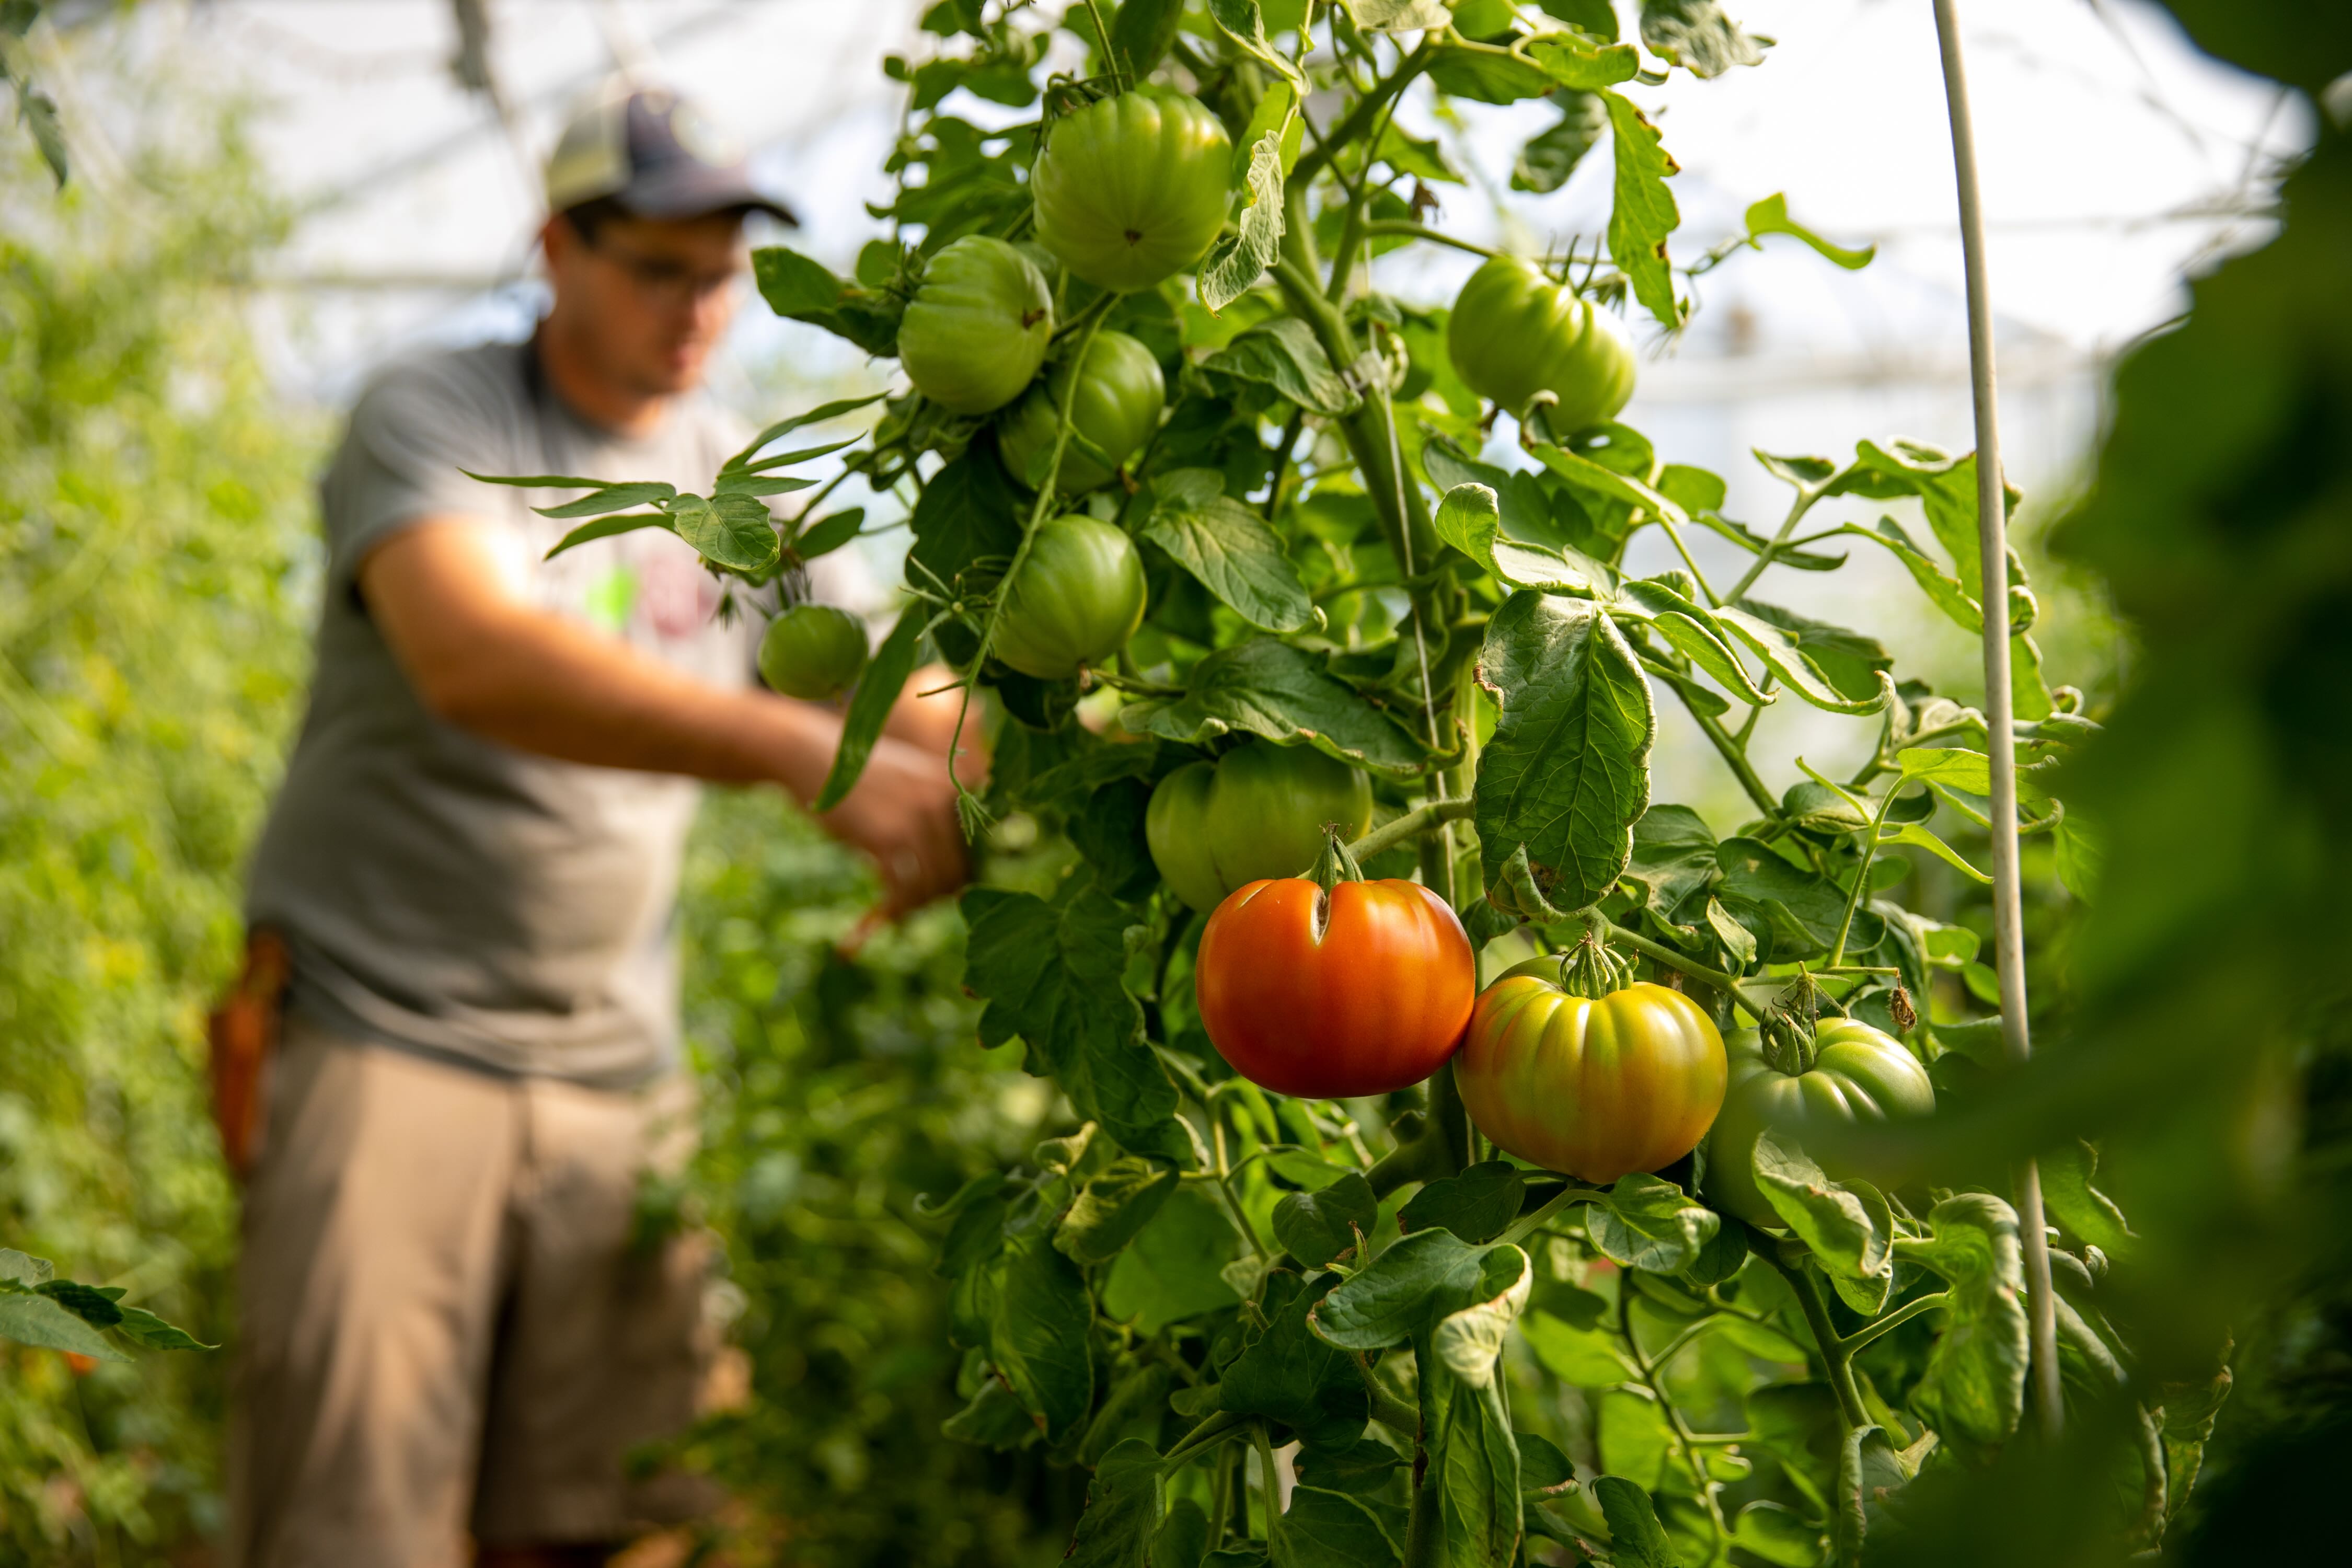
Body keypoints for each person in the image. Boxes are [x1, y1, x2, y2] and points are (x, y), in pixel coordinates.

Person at [220, 86, 970, 1568]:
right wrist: (795, 753)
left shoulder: (746, 487)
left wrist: (1074, 751)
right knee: (354, 1527)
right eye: (657, 269)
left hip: (618, 1081)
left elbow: (902, 694)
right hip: (386, 1040)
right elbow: (478, 656)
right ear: (555, 246)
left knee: (620, 1519)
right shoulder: (440, 414)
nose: (698, 312)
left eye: (721, 274)